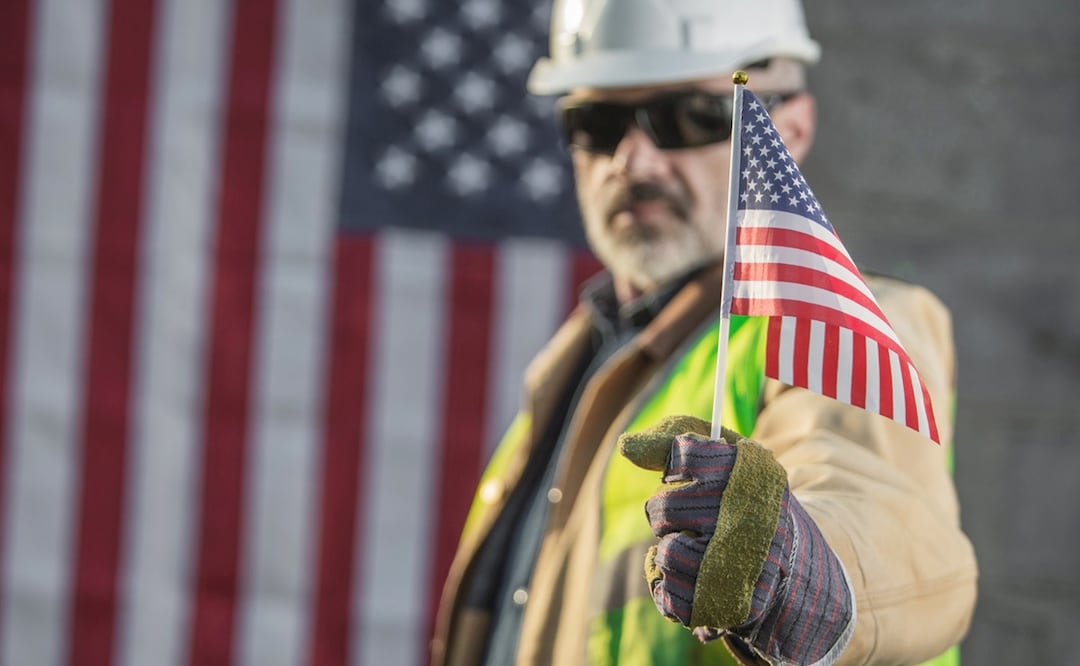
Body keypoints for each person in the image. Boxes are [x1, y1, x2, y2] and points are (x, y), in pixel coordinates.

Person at [431, 0, 978, 663]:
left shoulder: (827, 327)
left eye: (686, 117)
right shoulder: (576, 363)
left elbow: (878, 508)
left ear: (793, 129)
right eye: (596, 124)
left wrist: (805, 571)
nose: (633, 160)